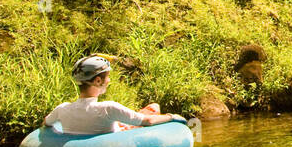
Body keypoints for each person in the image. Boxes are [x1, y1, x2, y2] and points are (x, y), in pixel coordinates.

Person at [43, 55, 185, 134]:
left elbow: (46, 123)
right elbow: (148, 121)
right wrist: (172, 117)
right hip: (116, 140)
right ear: (98, 81)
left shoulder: (62, 109)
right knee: (154, 107)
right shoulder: (108, 108)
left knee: (128, 117)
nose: (109, 80)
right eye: (108, 77)